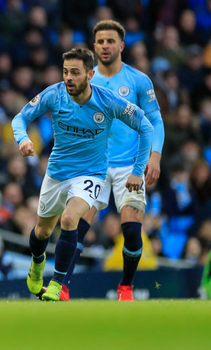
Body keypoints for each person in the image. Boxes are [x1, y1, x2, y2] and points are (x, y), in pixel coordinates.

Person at [12, 48, 153, 301]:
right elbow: (20, 118)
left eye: (75, 72)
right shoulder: (53, 95)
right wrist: (23, 140)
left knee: (69, 219)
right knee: (42, 232)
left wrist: (137, 170)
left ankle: (56, 285)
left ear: (90, 74)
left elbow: (145, 126)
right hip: (57, 174)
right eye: (65, 71)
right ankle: (37, 263)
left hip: (91, 174)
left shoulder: (108, 101)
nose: (68, 77)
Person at [61, 20, 165, 301]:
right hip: (93, 164)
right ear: (94, 47)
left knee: (131, 229)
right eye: (100, 41)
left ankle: (126, 287)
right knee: (78, 223)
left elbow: (155, 120)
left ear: (121, 45)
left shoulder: (138, 81)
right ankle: (63, 287)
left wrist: (155, 155)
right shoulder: (84, 79)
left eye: (110, 41)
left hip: (130, 165)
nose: (105, 46)